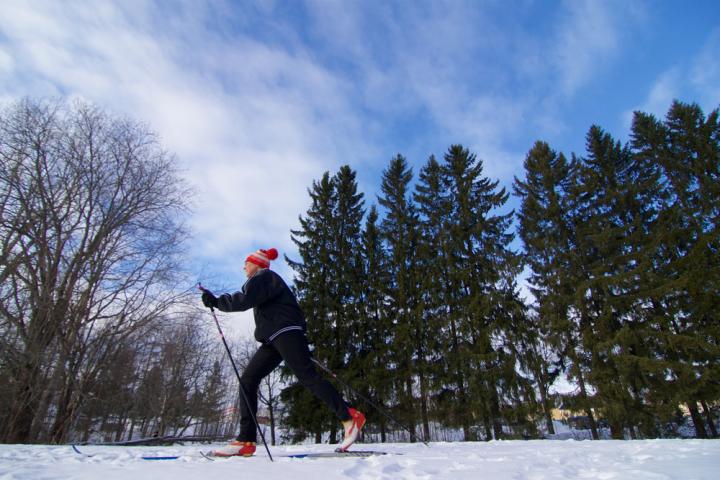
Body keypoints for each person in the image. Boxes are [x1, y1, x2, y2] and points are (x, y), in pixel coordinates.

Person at [200, 247, 365, 457]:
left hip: (285, 332)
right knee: (248, 380)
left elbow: (244, 300)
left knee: (307, 376)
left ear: (257, 264)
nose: (244, 267)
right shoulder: (263, 281)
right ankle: (246, 440)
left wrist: (216, 301)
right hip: (273, 339)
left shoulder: (264, 276)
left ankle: (350, 416)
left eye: (246, 263)